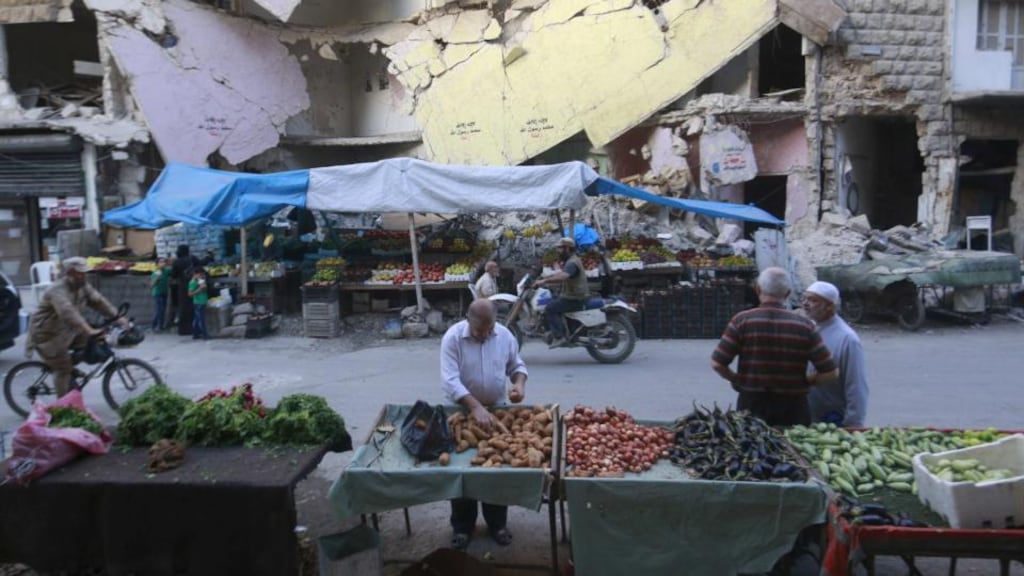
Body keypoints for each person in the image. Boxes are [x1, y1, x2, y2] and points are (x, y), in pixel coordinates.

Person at [440, 299, 528, 551]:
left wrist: (519, 385)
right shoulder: (453, 338)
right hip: (461, 412)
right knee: (462, 471)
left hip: (496, 412)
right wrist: (475, 407)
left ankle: (497, 524)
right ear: (468, 320)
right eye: (481, 331)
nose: (486, 334)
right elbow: (449, 380)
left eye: (490, 330)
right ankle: (462, 527)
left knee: (496, 470)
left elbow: (517, 366)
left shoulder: (504, 335)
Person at [711, 267, 839, 426]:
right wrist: (806, 381)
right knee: (792, 448)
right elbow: (831, 373)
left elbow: (717, 363)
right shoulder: (805, 326)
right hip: (793, 409)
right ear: (787, 293)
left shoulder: (742, 321)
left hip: (752, 406)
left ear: (758, 289)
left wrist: (737, 379)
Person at [25, 257, 127, 397]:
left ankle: (69, 367)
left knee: (92, 343)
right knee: (63, 369)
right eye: (79, 273)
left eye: (84, 273)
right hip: (47, 334)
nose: (83, 276)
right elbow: (68, 313)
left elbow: (99, 302)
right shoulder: (56, 290)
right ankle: (62, 407)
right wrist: (89, 329)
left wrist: (119, 318)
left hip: (67, 330)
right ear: (69, 274)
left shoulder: (82, 286)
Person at [802, 281, 869, 427]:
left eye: (813, 300)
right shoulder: (809, 328)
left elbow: (855, 385)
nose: (806, 304)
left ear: (830, 306)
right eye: (805, 299)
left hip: (833, 419)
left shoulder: (847, 339)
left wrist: (853, 424)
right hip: (807, 416)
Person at [533, 237, 588, 348]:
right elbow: (562, 274)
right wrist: (546, 278)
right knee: (551, 300)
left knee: (549, 308)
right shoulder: (571, 260)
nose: (558, 251)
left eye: (560, 249)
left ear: (567, 248)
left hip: (574, 297)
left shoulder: (572, 262)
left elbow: (564, 276)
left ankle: (560, 336)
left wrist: (545, 281)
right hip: (571, 295)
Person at [150, 257, 171, 331]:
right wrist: (157, 279)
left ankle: (159, 325)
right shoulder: (155, 273)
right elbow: (151, 285)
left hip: (164, 293)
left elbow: (173, 271)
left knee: (162, 310)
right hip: (157, 293)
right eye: (161, 262)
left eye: (164, 262)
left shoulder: (166, 271)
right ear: (157, 264)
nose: (163, 263)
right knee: (159, 310)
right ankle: (156, 325)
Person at [188, 267, 209, 340]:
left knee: (197, 319)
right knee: (201, 319)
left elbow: (204, 289)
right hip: (198, 302)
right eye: (200, 275)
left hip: (203, 301)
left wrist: (203, 286)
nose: (201, 276)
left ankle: (195, 334)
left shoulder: (200, 280)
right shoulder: (192, 282)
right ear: (195, 274)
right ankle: (204, 335)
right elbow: (190, 294)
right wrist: (199, 289)